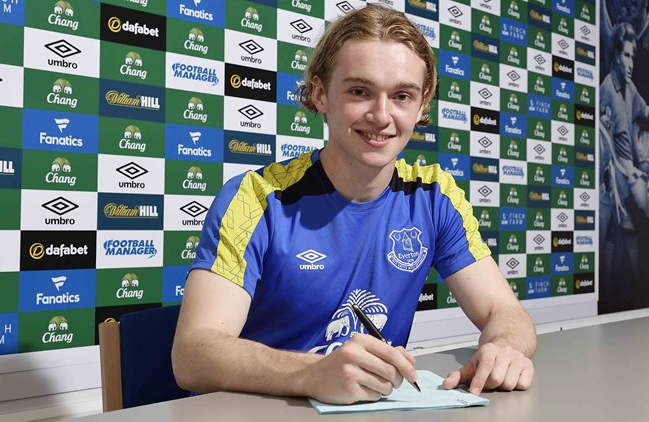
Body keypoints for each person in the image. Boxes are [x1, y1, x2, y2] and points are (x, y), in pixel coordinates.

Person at [171, 5, 536, 405]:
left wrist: (504, 347)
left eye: (402, 96)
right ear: (320, 94)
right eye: (360, 91)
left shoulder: (434, 196)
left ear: (422, 105)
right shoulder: (255, 197)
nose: (381, 115)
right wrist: (311, 374)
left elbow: (504, 312)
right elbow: (192, 354)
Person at [598, 22, 649, 313]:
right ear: (615, 56)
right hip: (617, 179)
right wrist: (623, 174)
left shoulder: (630, 89)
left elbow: (644, 111)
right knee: (622, 241)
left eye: (633, 56)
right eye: (626, 55)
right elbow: (603, 139)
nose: (631, 62)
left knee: (630, 249)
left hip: (630, 174)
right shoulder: (606, 91)